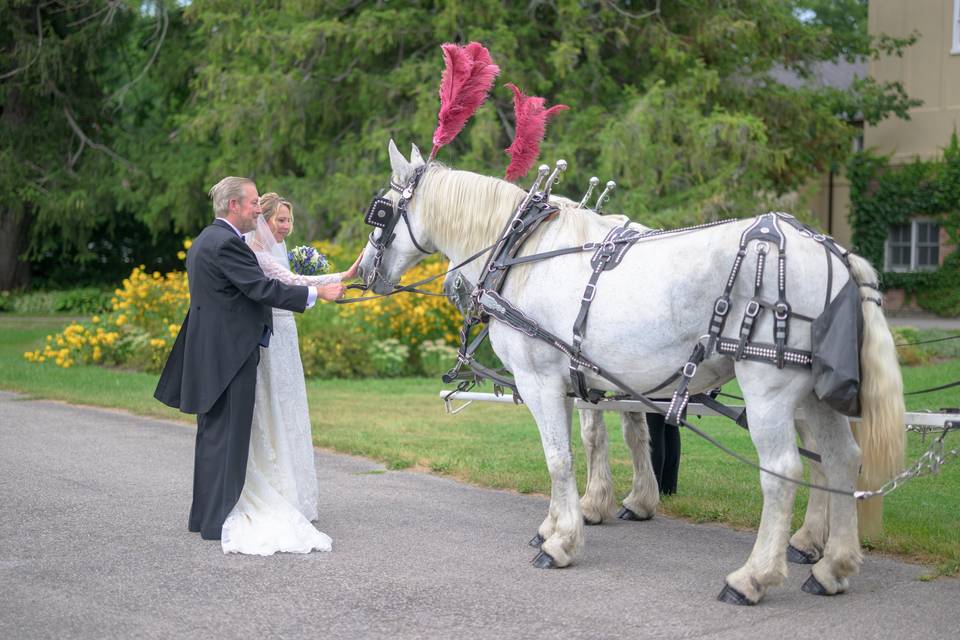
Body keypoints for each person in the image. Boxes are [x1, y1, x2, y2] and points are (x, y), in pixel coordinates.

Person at [154, 177, 344, 543]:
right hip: (230, 356)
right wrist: (316, 293)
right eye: (254, 202)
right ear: (233, 206)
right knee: (229, 437)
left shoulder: (205, 240)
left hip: (211, 353)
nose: (259, 209)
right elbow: (261, 289)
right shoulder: (227, 244)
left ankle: (206, 518)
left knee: (214, 436)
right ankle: (219, 521)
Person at [218, 193, 360, 555]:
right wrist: (327, 286)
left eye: (289, 221)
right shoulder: (253, 248)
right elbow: (287, 282)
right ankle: (276, 489)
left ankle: (294, 490)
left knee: (292, 405)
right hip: (268, 338)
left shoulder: (278, 246)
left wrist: (344, 276)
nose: (286, 227)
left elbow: (293, 277)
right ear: (263, 219)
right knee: (275, 407)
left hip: (287, 335)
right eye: (280, 220)